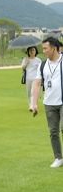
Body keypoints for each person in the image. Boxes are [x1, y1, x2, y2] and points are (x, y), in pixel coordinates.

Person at [30, 37, 63, 168]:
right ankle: (58, 158)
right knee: (53, 132)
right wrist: (33, 103)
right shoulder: (42, 65)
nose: (43, 51)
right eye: (42, 48)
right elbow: (37, 83)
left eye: (45, 48)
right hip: (49, 103)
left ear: (54, 48)